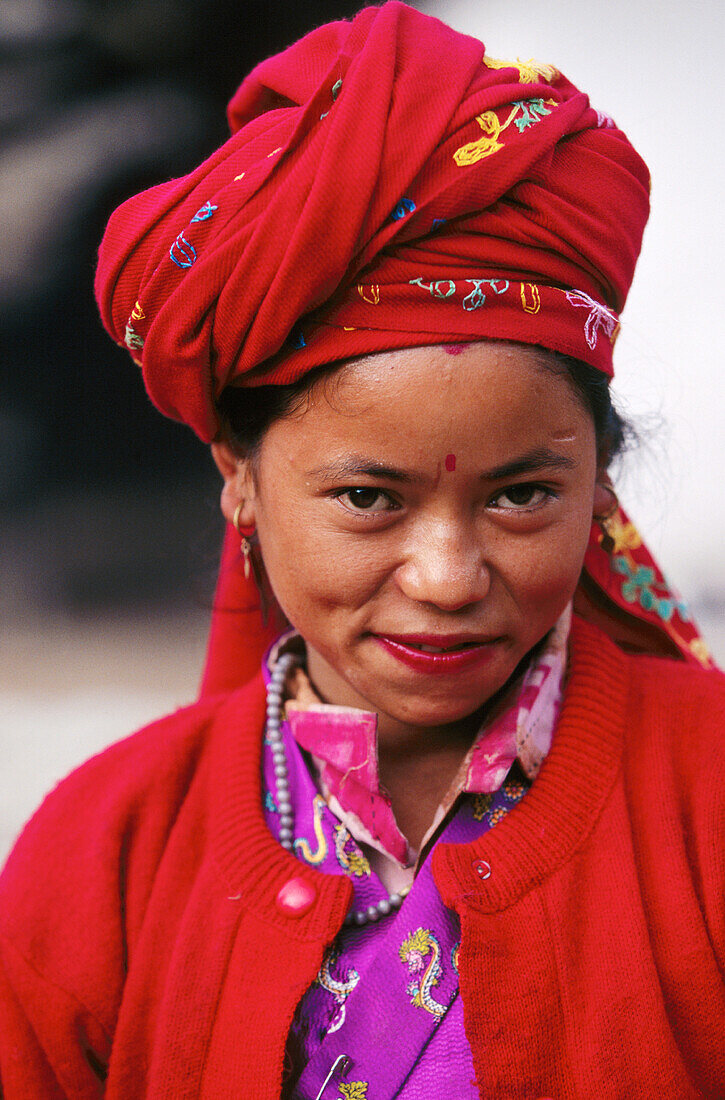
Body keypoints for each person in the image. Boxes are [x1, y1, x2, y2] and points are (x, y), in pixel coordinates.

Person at [1, 3, 723, 1097]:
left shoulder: (705, 796)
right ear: (237, 479)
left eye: (523, 493)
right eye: (366, 498)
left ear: (597, 479)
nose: (445, 578)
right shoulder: (101, 856)